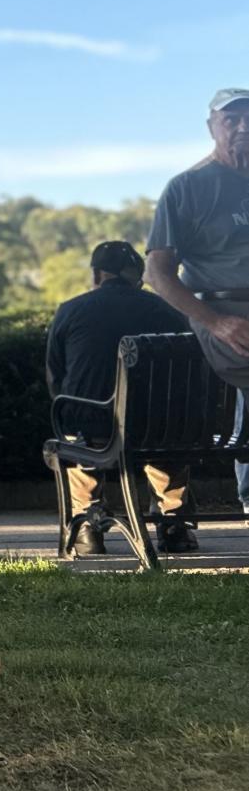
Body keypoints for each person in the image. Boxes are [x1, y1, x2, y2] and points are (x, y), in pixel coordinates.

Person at [47, 240, 195, 554]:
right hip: (159, 429)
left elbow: (56, 378)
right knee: (164, 428)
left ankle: (88, 526)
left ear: (98, 274)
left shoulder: (71, 310)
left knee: (77, 427)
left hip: (93, 426)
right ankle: (174, 522)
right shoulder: (169, 311)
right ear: (137, 277)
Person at [143, 88, 249, 511]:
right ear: (212, 127)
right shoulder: (188, 188)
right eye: (232, 119)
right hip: (225, 315)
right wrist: (215, 321)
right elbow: (157, 273)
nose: (243, 127)